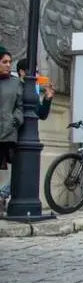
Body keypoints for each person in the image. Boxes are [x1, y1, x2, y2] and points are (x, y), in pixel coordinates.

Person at [0, 47, 22, 186]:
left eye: (10, 62)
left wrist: (14, 121)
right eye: (4, 61)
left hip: (6, 134)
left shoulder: (16, 83)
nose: (8, 65)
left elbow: (20, 106)